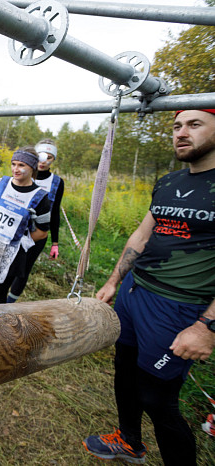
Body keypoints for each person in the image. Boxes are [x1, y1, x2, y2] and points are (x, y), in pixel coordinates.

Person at [83, 109, 215, 466]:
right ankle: (129, 442)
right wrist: (114, 282)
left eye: (194, 124)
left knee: (157, 400)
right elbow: (143, 234)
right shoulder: (169, 181)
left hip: (178, 309)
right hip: (134, 295)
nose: (181, 133)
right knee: (124, 374)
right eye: (176, 126)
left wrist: (206, 327)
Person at [0, 147, 51, 304]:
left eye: (21, 165)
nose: (16, 169)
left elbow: (42, 232)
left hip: (12, 253)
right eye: (13, 164)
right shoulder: (0, 184)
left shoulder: (40, 197)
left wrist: (19, 241)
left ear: (32, 167)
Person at [7, 138, 64, 303]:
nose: (44, 162)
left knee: (23, 269)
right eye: (41, 156)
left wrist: (55, 242)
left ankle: (9, 304)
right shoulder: (22, 173)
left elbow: (55, 212)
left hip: (37, 235)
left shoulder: (57, 182)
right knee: (7, 264)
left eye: (49, 157)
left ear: (53, 160)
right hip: (15, 230)